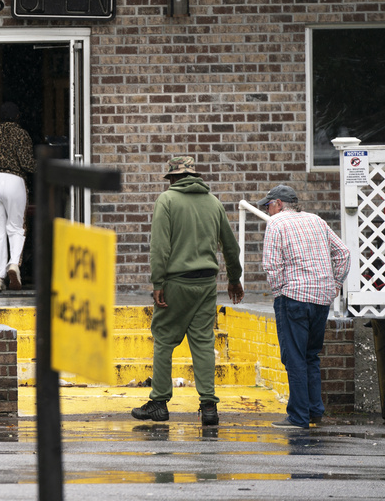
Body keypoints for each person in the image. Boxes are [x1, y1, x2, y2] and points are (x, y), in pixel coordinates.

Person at [132, 155, 244, 426]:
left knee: (164, 339)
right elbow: (230, 245)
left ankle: (159, 403)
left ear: (172, 178)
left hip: (176, 282)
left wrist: (158, 283)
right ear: (194, 176)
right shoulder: (213, 202)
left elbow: (160, 247)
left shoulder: (167, 201)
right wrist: (234, 278)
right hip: (207, 283)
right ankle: (208, 408)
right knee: (203, 342)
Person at [257, 184, 351, 429]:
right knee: (311, 356)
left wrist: (279, 291)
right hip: (321, 299)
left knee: (295, 358)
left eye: (268, 205)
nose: (268, 210)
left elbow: (271, 264)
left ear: (278, 203)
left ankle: (298, 416)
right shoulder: (317, 220)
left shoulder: (276, 224)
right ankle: (314, 411)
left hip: (293, 297)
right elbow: (343, 254)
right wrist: (335, 284)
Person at [0, 102, 35, 291]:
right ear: (17, 117)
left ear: (0, 117)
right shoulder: (21, 134)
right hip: (15, 181)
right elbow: (27, 163)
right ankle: (13, 264)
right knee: (16, 227)